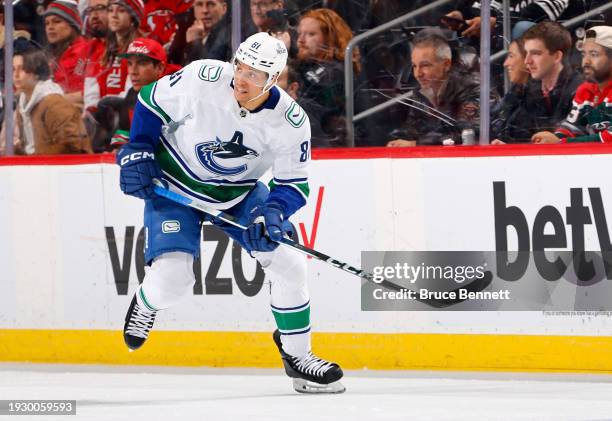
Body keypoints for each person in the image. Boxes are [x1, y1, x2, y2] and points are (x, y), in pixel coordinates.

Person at [116, 32, 345, 394]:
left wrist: (271, 214)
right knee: (173, 281)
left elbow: (293, 185)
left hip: (238, 195)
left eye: (255, 74)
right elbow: (151, 101)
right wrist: (139, 149)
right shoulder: (204, 76)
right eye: (241, 67)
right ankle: (145, 303)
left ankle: (298, 357)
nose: (242, 78)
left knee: (290, 265)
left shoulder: (291, 121)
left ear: (273, 80)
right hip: (175, 186)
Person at [387, 30, 481, 146]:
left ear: (446, 64)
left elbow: (468, 134)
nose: (417, 74)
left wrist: (416, 144)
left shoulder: (471, 88)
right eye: (414, 66)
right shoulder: (422, 92)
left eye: (425, 65)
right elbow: (413, 128)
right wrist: (399, 140)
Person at [531, 26, 612, 144]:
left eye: (594, 54)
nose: (586, 61)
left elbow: (609, 138)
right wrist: (552, 139)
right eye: (584, 54)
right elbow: (571, 128)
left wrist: (561, 142)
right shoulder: (586, 90)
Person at [93, 38, 174, 151]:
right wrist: (115, 148)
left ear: (160, 68)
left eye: (141, 63)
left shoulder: (173, 97)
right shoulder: (132, 94)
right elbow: (124, 132)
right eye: (130, 64)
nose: (133, 71)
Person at [295, 8, 359, 147]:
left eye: (311, 34)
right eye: (300, 34)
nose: (301, 40)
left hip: (328, 144)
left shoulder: (337, 70)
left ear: (329, 38)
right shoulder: (304, 66)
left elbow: (313, 102)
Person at [12, 48, 91, 154]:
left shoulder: (54, 103)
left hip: (62, 167)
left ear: (36, 72)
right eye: (13, 69)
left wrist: (37, 160)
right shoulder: (23, 103)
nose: (16, 75)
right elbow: (29, 146)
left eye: (22, 69)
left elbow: (71, 144)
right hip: (37, 166)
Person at [519, 22, 582, 136]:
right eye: (526, 53)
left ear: (557, 56)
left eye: (536, 53)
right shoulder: (530, 89)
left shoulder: (580, 89)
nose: (527, 61)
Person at [43, 0, 91, 105]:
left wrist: (48, 102)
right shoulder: (52, 56)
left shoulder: (86, 50)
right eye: (47, 23)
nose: (50, 27)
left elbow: (87, 93)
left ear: (72, 24)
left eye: (57, 21)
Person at [490, 36, 532, 144]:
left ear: (527, 59)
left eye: (511, 56)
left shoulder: (538, 98)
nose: (505, 63)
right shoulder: (515, 91)